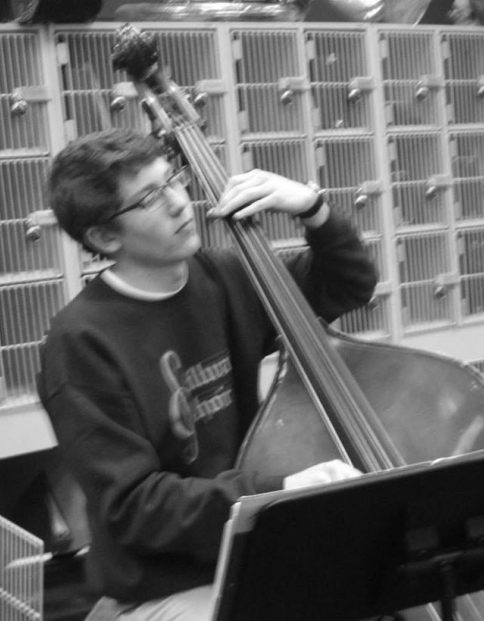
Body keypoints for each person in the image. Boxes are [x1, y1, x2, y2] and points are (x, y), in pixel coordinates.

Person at [37, 127, 377, 620]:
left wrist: (312, 209)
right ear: (105, 236)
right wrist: (278, 493)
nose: (179, 202)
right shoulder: (81, 343)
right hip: (163, 589)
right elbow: (135, 507)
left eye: (173, 180)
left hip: (251, 551)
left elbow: (347, 286)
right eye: (151, 197)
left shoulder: (223, 277)